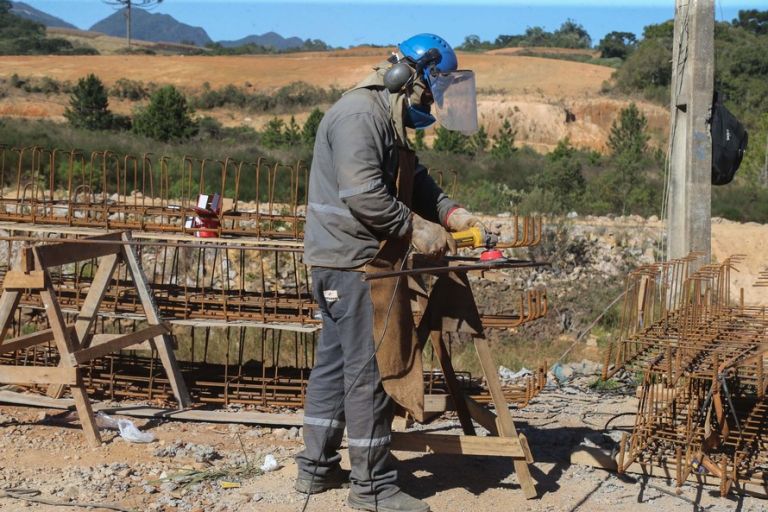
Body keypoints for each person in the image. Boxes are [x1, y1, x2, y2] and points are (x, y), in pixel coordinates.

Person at [295, 33, 491, 512]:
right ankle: (373, 487)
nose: (432, 102)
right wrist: (415, 228)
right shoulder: (360, 117)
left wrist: (451, 214)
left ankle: (316, 469)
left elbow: (414, 180)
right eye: (432, 90)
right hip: (355, 265)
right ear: (409, 76)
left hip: (348, 262)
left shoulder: (385, 115)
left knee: (335, 368)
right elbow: (364, 194)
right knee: (371, 373)